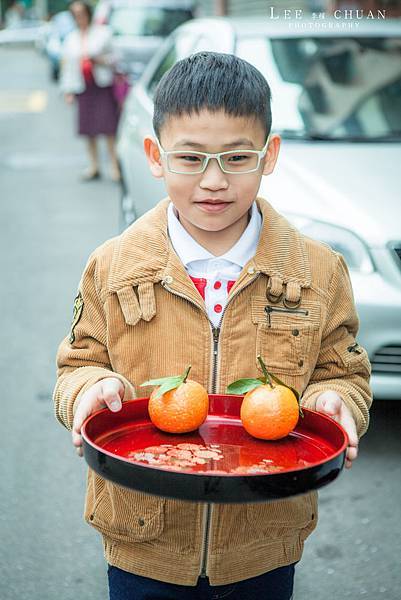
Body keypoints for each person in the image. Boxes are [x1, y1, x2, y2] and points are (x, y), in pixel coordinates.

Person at [53, 52, 372, 600]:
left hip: (264, 539)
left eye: (236, 157)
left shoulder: (317, 271)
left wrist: (338, 400)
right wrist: (88, 390)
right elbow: (79, 363)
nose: (214, 181)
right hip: (143, 539)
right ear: (155, 156)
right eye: (191, 158)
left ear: (269, 155)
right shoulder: (113, 265)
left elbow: (342, 369)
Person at [59, 1, 121, 182]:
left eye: (82, 13)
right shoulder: (71, 38)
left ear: (88, 13)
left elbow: (116, 58)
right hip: (83, 87)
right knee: (88, 129)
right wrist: (67, 90)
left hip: (102, 85)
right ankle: (94, 166)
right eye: (75, 14)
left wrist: (100, 60)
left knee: (109, 128)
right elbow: (67, 66)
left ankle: (114, 166)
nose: (79, 18)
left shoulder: (103, 33)